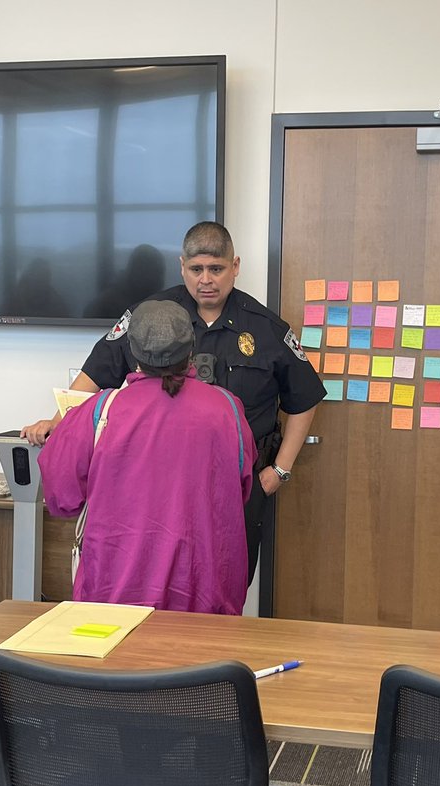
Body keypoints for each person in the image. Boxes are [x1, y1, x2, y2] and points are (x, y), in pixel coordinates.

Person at [23, 222, 324, 583]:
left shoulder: (265, 328)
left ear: (236, 266)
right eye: (196, 270)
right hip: (160, 480)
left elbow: (303, 398)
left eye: (217, 269)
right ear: (182, 267)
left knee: (224, 581)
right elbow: (97, 372)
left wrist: (279, 471)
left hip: (235, 482)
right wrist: (58, 422)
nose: (206, 280)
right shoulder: (152, 316)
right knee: (154, 580)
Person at [39, 299, 257, 614]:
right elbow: (241, 490)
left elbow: (61, 499)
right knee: (205, 664)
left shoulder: (99, 411)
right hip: (206, 599)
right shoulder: (228, 409)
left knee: (114, 664)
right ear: (190, 348)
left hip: (112, 599)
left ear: (133, 349)